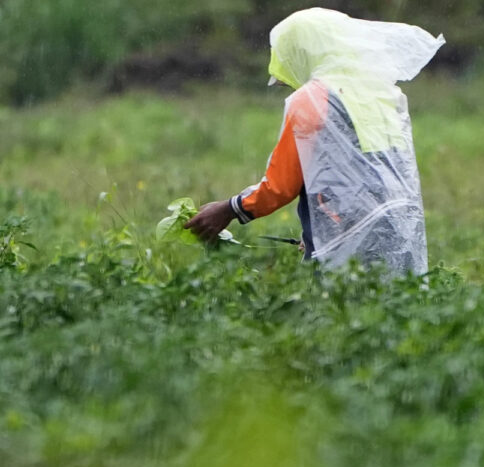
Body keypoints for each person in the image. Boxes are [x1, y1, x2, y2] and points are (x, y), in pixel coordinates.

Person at [185, 8, 443, 274]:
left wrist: (228, 209)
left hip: (348, 240)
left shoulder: (312, 98)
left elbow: (280, 186)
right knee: (397, 307)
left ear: (301, 52)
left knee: (339, 311)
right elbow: (377, 176)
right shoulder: (384, 92)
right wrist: (320, 234)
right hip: (399, 228)